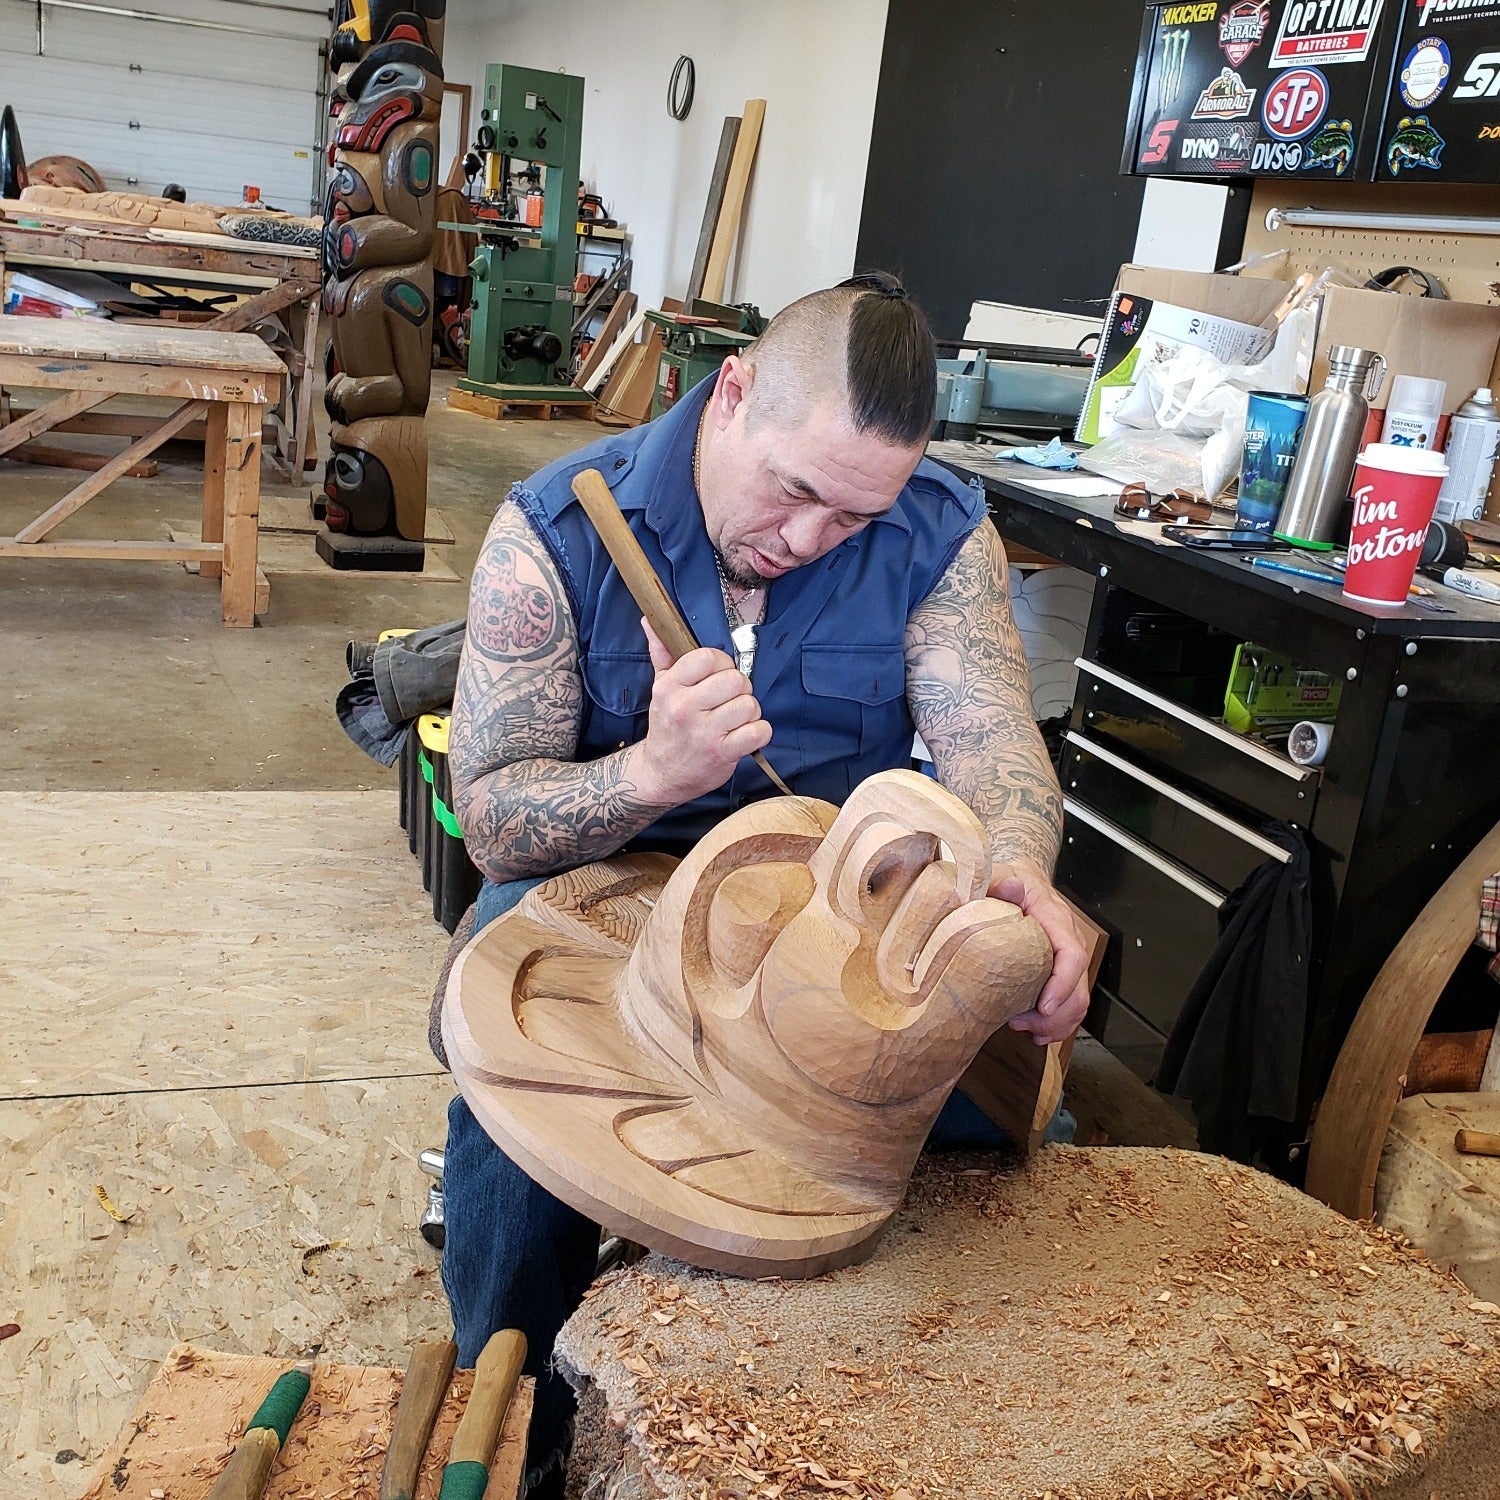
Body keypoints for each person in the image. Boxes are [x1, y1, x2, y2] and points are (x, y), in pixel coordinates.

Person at [442, 271, 1090, 1494]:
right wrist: (647, 772)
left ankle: (903, 1438)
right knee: (519, 1139)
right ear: (731, 392)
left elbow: (998, 744)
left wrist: (1018, 874)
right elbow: (491, 824)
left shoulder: (937, 531)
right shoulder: (553, 533)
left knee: (1005, 1120)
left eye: (853, 518)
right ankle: (516, 1434)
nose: (810, 542)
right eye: (795, 494)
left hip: (818, 909)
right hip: (599, 901)